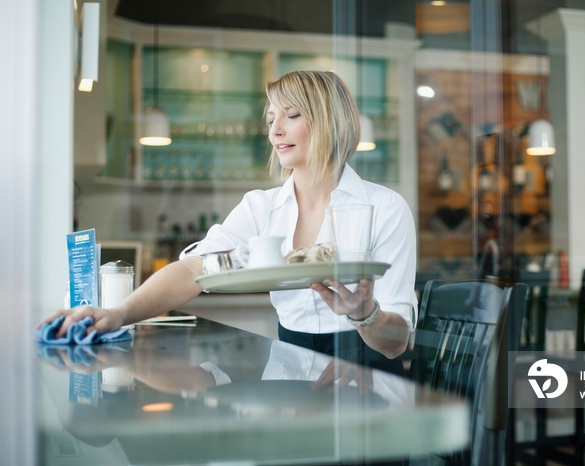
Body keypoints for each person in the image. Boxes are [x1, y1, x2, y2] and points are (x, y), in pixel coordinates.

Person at [39, 70, 417, 371]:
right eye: (271, 118)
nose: (275, 130)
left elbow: (396, 343)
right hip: (286, 372)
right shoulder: (261, 207)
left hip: (367, 379)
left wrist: (364, 315)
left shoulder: (385, 208)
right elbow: (194, 269)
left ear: (331, 122)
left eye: (292, 115)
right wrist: (117, 314)